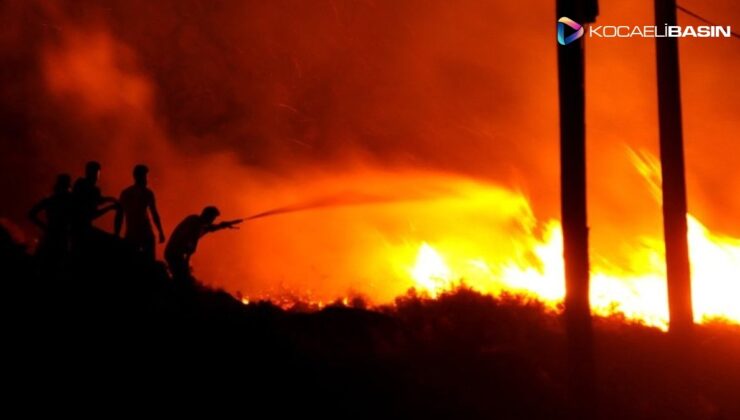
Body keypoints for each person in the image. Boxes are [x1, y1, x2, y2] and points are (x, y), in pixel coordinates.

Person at [164, 206, 242, 282]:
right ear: (207, 215)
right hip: (174, 253)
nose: (212, 221)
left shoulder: (197, 222)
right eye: (212, 218)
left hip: (175, 253)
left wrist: (222, 225)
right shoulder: (195, 222)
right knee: (182, 279)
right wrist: (187, 257)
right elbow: (194, 237)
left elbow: (209, 228)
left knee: (182, 277)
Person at [114, 164, 165, 260]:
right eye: (146, 176)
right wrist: (160, 231)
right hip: (145, 233)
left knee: (132, 263)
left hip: (131, 234)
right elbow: (154, 214)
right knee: (149, 263)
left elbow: (119, 215)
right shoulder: (147, 193)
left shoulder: (125, 193)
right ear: (141, 177)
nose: (147, 179)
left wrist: (116, 233)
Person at [28, 174, 74, 264]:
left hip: (49, 237)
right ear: (68, 186)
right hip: (62, 239)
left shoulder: (51, 200)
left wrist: (44, 227)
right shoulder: (70, 202)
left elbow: (31, 214)